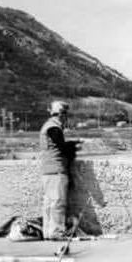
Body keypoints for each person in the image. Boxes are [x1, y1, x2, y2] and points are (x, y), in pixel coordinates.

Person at [38, 101, 81, 239]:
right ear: (61, 114)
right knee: (57, 203)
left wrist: (72, 144)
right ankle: (56, 232)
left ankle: (48, 232)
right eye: (65, 115)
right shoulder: (54, 128)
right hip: (56, 171)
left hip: (47, 170)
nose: (66, 118)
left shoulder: (48, 126)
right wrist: (74, 146)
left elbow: (56, 145)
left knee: (49, 204)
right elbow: (61, 147)